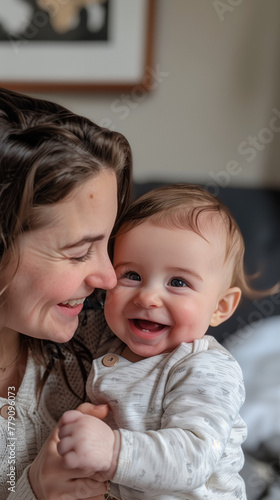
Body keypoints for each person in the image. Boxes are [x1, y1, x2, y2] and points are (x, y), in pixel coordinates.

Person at [57, 184, 279, 500]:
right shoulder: (106, 343)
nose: (148, 296)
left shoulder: (206, 367)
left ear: (220, 307)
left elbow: (194, 458)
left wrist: (113, 450)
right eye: (131, 275)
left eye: (177, 282)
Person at [0, 86, 132, 500]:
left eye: (106, 246)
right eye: (78, 253)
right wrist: (36, 491)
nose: (108, 278)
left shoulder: (93, 344)